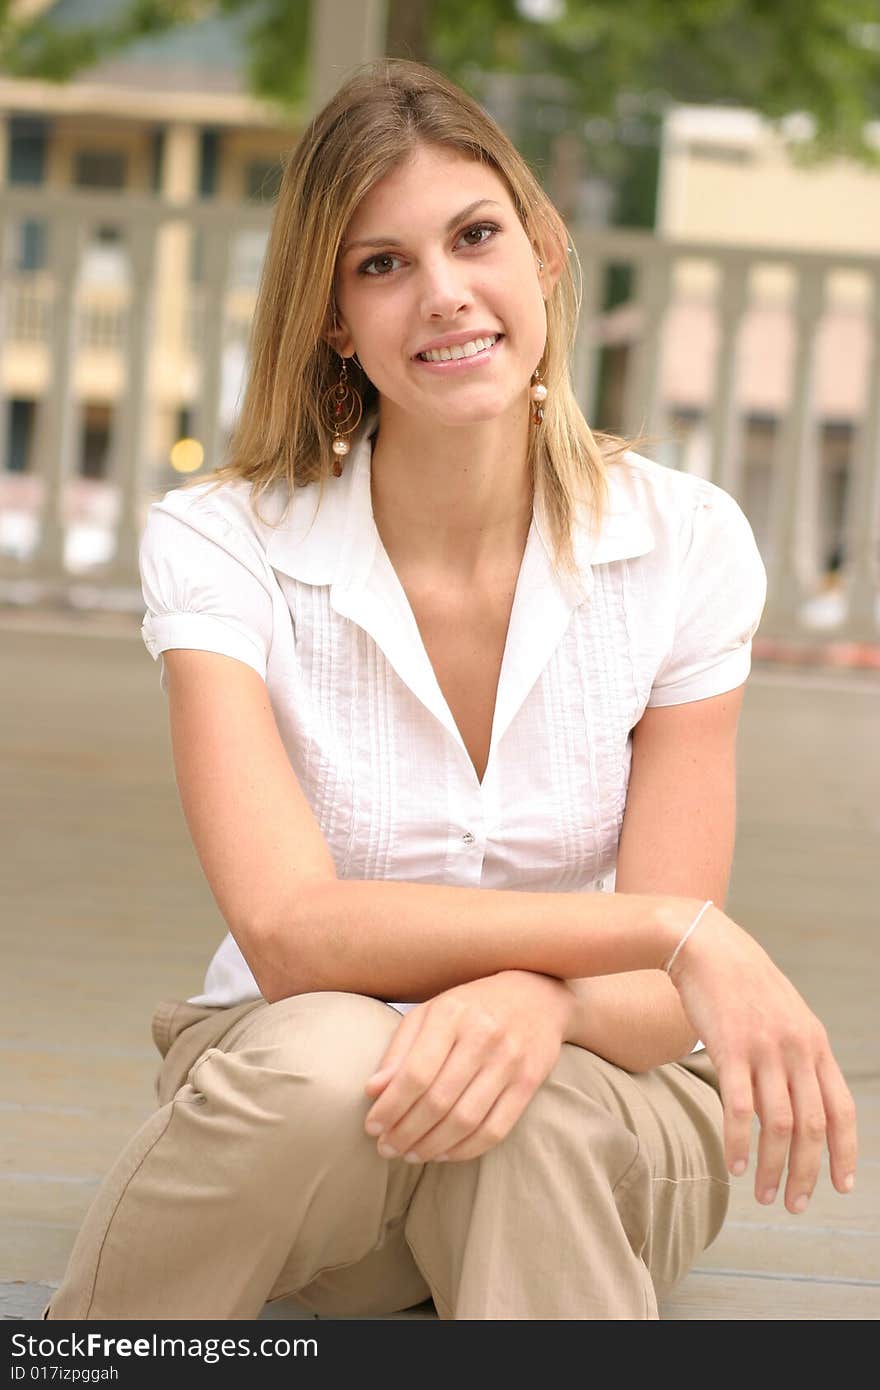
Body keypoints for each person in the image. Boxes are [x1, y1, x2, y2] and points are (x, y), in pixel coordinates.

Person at [48, 59, 856, 1322]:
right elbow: (291, 934)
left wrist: (532, 995)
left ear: (539, 252)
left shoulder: (688, 543)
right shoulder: (223, 540)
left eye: (474, 237)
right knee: (325, 1059)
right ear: (331, 318)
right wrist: (668, 930)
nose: (443, 295)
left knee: (528, 1117)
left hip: (604, 1100)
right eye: (380, 265)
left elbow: (648, 1014)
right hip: (310, 1117)